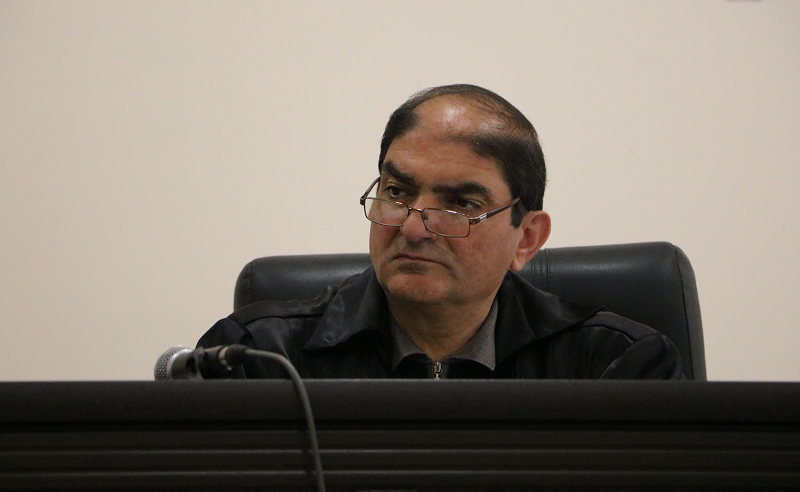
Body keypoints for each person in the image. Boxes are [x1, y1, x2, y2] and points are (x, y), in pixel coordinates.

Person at [197, 84, 683, 379]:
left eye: (461, 204)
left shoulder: (617, 365)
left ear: (527, 238)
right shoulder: (257, 356)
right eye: (397, 192)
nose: (413, 227)